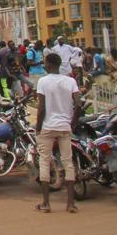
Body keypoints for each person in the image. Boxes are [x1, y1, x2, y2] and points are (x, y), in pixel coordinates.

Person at [35, 52, 79, 213]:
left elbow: (41, 108)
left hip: (47, 126)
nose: (44, 65)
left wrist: (38, 127)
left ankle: (46, 203)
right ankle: (70, 204)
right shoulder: (70, 81)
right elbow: (78, 104)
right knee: (68, 163)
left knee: (44, 162)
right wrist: (73, 122)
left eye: (45, 63)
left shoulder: (43, 82)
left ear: (49, 65)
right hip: (64, 127)